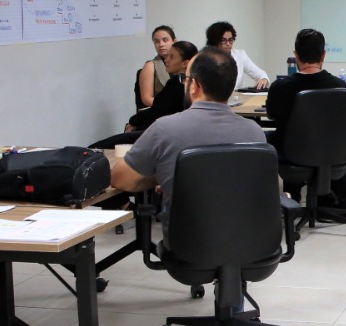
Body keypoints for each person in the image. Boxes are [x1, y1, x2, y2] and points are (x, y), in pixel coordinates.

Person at [111, 46, 266, 236]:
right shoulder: (255, 133)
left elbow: (120, 178)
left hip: (189, 244)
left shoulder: (165, 129)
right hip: (248, 242)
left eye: (185, 79)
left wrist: (166, 174)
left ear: (194, 86)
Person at [265, 27, 346, 147]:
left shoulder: (279, 87)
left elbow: (271, 115)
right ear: (323, 55)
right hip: (331, 153)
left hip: (289, 153)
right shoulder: (341, 87)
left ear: (296, 55)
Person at [205, 20, 270, 90]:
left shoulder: (240, 55)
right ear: (214, 41)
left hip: (236, 96)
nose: (228, 44)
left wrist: (264, 79)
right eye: (223, 40)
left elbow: (261, 74)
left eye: (230, 40)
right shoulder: (205, 58)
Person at [137, 25, 175, 109]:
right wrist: (170, 107)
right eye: (157, 41)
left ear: (174, 41)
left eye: (165, 40)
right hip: (163, 110)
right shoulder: (150, 66)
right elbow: (147, 99)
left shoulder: (184, 62)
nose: (161, 44)